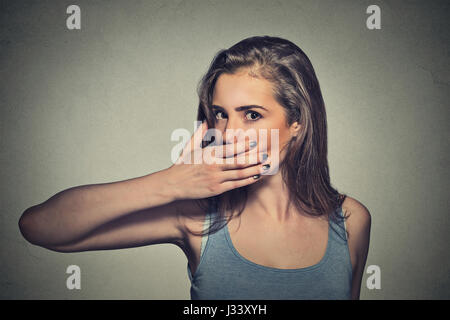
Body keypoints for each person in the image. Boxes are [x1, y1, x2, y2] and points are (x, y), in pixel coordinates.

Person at [18, 35, 371, 300]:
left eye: (251, 115)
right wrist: (171, 183)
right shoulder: (197, 217)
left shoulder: (351, 220)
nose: (229, 133)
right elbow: (39, 227)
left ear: (297, 122)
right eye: (220, 114)